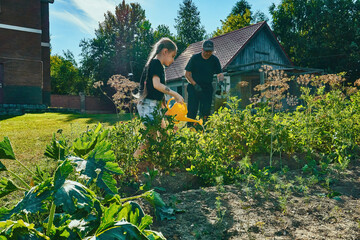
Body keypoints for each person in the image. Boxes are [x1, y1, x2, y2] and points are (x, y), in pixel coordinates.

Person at [134, 37, 184, 158]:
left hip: (153, 105)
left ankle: (161, 160)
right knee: (150, 137)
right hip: (147, 105)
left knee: (164, 135)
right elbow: (157, 85)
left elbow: (156, 91)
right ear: (165, 51)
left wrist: (164, 110)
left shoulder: (158, 66)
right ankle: (134, 160)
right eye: (173, 56)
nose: (173, 60)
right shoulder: (156, 63)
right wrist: (175, 94)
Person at [185, 40, 224, 125]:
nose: (208, 53)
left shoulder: (214, 60)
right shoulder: (195, 58)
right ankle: (190, 127)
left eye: (210, 51)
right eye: (206, 51)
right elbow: (187, 74)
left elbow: (220, 74)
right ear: (202, 49)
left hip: (207, 87)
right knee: (192, 110)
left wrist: (220, 82)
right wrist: (195, 85)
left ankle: (203, 128)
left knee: (206, 110)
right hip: (194, 87)